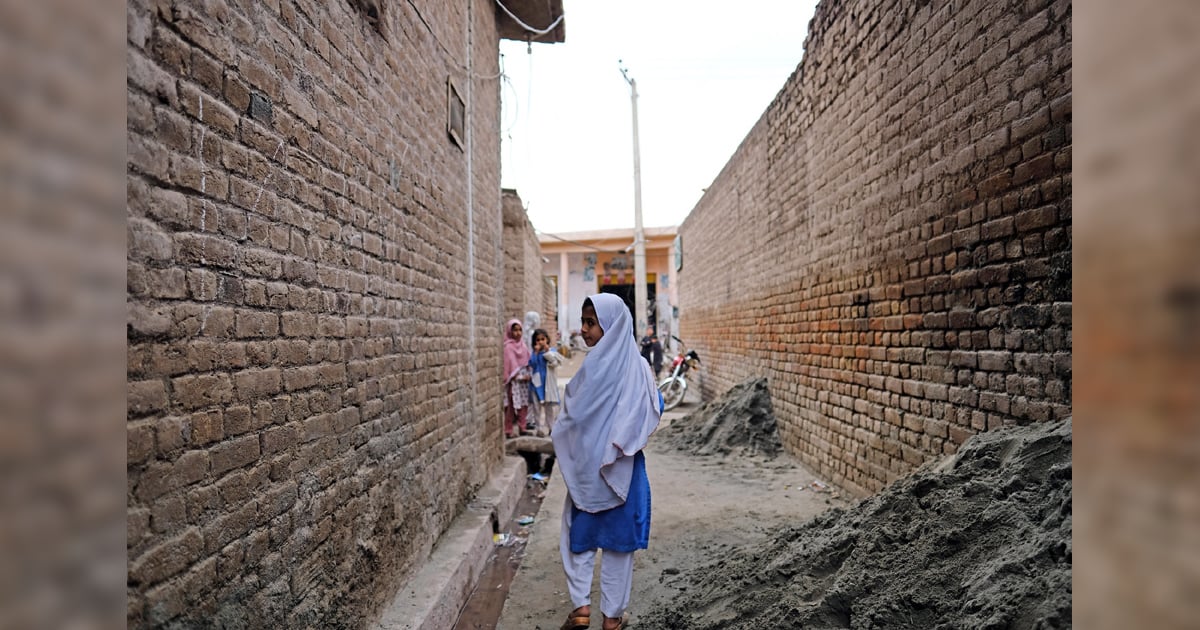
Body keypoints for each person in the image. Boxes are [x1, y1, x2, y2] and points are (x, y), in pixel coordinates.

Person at [551, 294, 662, 630]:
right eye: (584, 322)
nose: (584, 330)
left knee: (578, 537)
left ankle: (581, 608)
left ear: (610, 326)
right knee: (618, 546)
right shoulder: (639, 367)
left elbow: (570, 418)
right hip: (623, 471)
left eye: (591, 323)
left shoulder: (590, 371)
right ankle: (611, 619)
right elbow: (654, 407)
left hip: (587, 473)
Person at [527, 328, 564, 437]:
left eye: (543, 339)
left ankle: (551, 428)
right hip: (536, 385)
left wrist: (547, 351)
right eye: (538, 340)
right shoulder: (534, 353)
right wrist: (536, 352)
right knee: (537, 408)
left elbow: (554, 362)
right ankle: (539, 428)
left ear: (547, 340)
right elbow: (532, 364)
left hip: (547, 385)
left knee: (549, 408)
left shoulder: (552, 351)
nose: (540, 342)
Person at [502, 318, 533, 438]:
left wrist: (528, 375)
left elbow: (528, 362)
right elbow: (507, 365)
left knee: (524, 405)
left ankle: (522, 427)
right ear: (510, 331)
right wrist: (513, 376)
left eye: (520, 330)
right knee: (510, 406)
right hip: (513, 382)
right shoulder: (508, 347)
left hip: (523, 382)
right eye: (515, 330)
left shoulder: (524, 346)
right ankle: (508, 430)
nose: (518, 333)